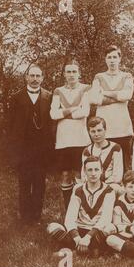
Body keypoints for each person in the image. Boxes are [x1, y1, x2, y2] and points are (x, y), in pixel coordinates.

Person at [9, 64, 53, 225]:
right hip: (23, 149)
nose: (35, 79)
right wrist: (14, 151)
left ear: (42, 78)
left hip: (42, 149)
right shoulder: (16, 97)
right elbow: (11, 125)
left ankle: (36, 217)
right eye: (32, 76)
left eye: (38, 76)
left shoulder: (49, 96)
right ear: (26, 77)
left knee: (40, 183)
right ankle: (25, 216)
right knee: (24, 182)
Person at [47, 156, 115, 256]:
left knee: (110, 227)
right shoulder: (78, 189)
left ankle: (74, 252)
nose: (93, 173)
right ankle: (91, 250)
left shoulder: (109, 190)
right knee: (52, 227)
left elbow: (106, 218)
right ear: (84, 171)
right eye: (89, 170)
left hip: (96, 232)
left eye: (96, 169)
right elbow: (70, 217)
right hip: (80, 230)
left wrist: (88, 237)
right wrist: (77, 238)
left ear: (102, 170)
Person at [50, 59, 91, 209]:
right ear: (64, 74)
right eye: (68, 71)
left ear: (79, 74)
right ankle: (69, 209)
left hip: (81, 139)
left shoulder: (86, 89)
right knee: (66, 175)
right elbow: (53, 115)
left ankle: (82, 209)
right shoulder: (58, 91)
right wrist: (74, 109)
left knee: (80, 176)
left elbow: (85, 112)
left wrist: (63, 113)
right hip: (63, 140)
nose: (71, 74)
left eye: (74, 71)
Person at [89, 45, 134, 170]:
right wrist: (118, 97)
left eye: (115, 57)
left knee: (125, 165)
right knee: (104, 163)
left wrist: (104, 93)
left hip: (123, 127)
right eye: (109, 57)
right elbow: (93, 98)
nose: (112, 60)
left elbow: (127, 95)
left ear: (120, 59)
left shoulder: (127, 76)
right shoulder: (99, 77)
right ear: (105, 59)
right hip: (104, 127)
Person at [82, 117, 124, 195]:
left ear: (105, 130)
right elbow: (84, 176)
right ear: (89, 132)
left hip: (111, 184)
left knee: (115, 188)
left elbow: (118, 177)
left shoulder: (115, 148)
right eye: (93, 131)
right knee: (78, 188)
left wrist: (100, 184)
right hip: (92, 185)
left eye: (99, 130)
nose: (96, 134)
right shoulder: (87, 151)